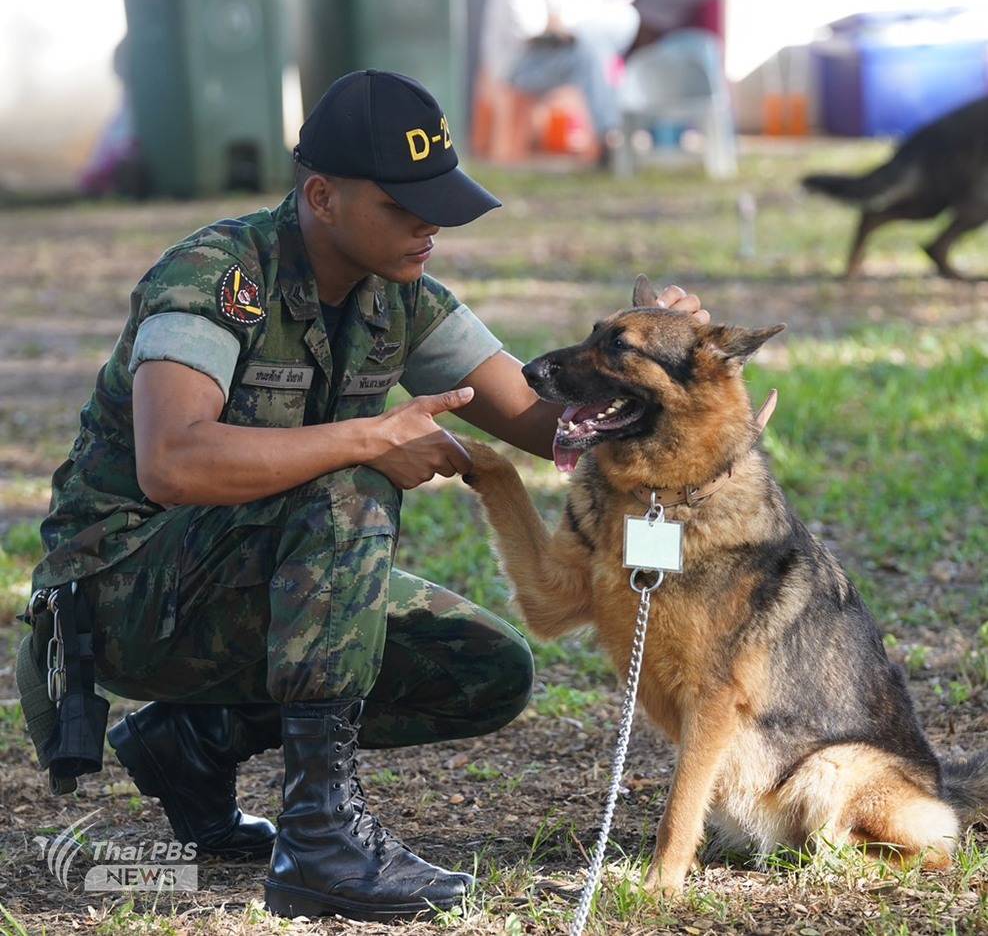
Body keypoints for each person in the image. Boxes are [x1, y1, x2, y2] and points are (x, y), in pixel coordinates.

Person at [26, 69, 707, 922]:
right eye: (404, 204)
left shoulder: (404, 297)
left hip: (240, 586)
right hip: (121, 590)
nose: (430, 226)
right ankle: (320, 844)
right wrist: (370, 438)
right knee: (351, 484)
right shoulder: (215, 276)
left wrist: (655, 363)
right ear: (322, 196)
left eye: (439, 202)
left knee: (484, 670)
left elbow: (542, 422)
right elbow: (174, 462)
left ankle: (196, 739)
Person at [479, 0, 640, 154]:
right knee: (589, 52)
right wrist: (566, 20)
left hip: (555, 61)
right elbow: (532, 33)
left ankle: (613, 132)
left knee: (612, 33)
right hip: (516, 67)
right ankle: (607, 135)